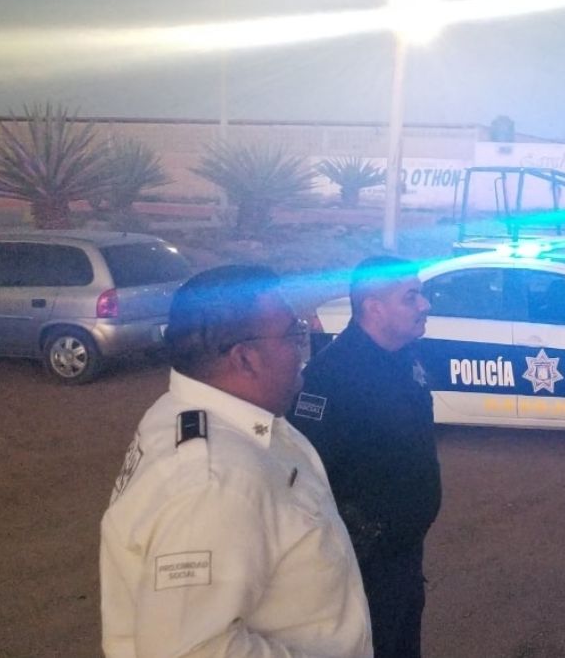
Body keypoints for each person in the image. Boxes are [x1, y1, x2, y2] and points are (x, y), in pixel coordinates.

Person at [100, 265, 371, 657]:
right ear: (245, 359)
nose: (303, 345)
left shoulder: (196, 413)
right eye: (293, 334)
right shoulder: (213, 484)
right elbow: (189, 650)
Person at [291, 255, 440, 658]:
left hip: (403, 556)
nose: (425, 305)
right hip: (362, 566)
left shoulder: (404, 356)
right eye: (411, 297)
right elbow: (308, 479)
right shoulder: (331, 377)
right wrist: (363, 541)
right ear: (374, 308)